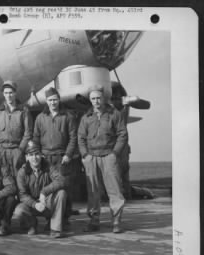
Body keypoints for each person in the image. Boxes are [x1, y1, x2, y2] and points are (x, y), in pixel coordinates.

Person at [78, 85, 128, 233]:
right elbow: (81, 138)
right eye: (93, 99)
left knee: (115, 190)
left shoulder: (114, 114)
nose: (96, 101)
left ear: (104, 98)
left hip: (109, 156)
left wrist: (115, 153)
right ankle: (94, 220)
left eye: (98, 98)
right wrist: (85, 155)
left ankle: (116, 221)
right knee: (92, 190)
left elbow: (122, 134)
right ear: (90, 100)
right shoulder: (86, 117)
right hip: (91, 157)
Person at [33, 87, 78, 226]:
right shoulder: (40, 117)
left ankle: (64, 217)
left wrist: (68, 154)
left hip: (62, 158)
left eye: (55, 100)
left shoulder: (68, 116)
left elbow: (73, 137)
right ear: (46, 101)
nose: (53, 103)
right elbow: (36, 137)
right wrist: (38, 154)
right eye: (50, 100)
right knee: (48, 187)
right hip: (46, 157)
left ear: (59, 100)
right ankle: (50, 218)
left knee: (64, 186)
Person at [13, 141, 68, 238]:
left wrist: (44, 192)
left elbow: (61, 180)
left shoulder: (48, 166)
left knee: (61, 193)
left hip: (46, 202)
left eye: (37, 154)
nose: (34, 158)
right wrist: (35, 204)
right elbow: (22, 195)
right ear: (27, 157)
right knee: (19, 211)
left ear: (41, 155)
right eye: (31, 155)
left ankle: (55, 229)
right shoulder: (22, 172)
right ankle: (31, 224)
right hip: (32, 204)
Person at [0, 80, 33, 177]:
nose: (8, 95)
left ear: (15, 93)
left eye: (10, 93)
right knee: (2, 178)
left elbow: (28, 133)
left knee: (19, 177)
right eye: (6, 93)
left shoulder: (23, 111)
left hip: (16, 150)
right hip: (1, 151)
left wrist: (20, 149)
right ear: (3, 94)